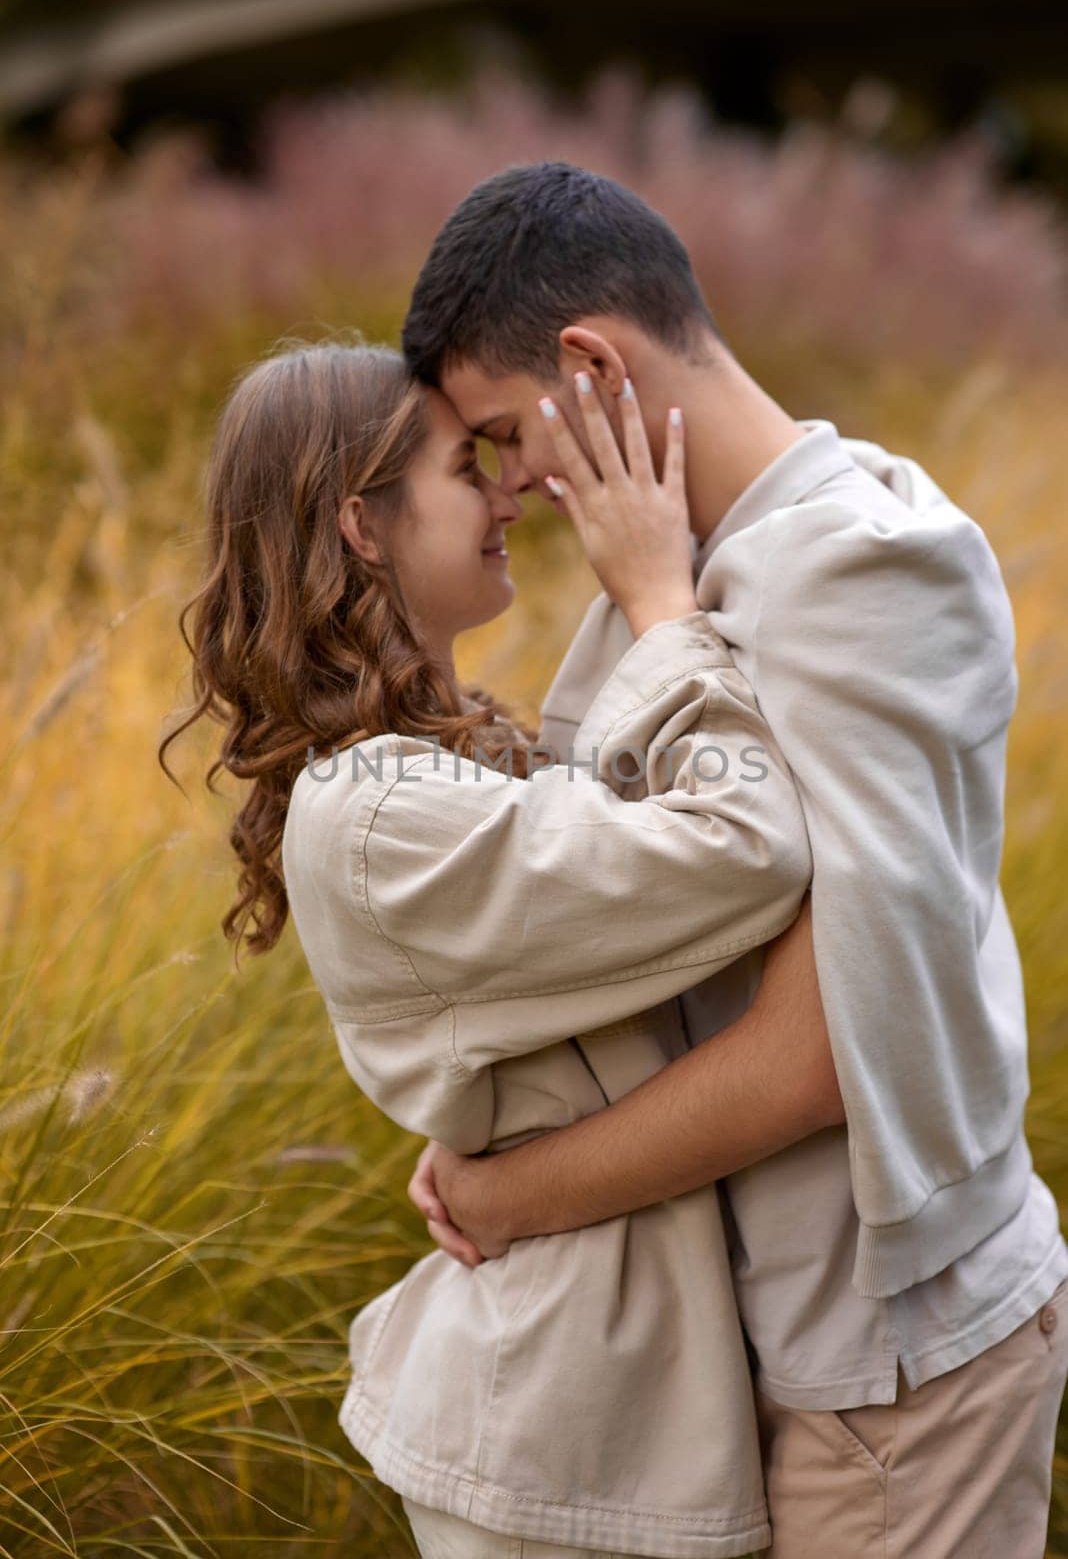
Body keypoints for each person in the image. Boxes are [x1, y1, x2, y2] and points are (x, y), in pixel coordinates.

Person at [399, 161, 1068, 1558]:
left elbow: (816, 1053)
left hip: (894, 1378)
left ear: (591, 361)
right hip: (766, 1345)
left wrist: (507, 1195)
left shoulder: (859, 567)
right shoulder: (678, 563)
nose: (509, 487)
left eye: (505, 434)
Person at [161, 335, 844, 1558]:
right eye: (463, 467)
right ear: (362, 528)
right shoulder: (379, 814)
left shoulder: (448, 765)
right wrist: (659, 601)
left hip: (603, 1414)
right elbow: (745, 846)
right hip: (553, 1436)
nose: (505, 494)